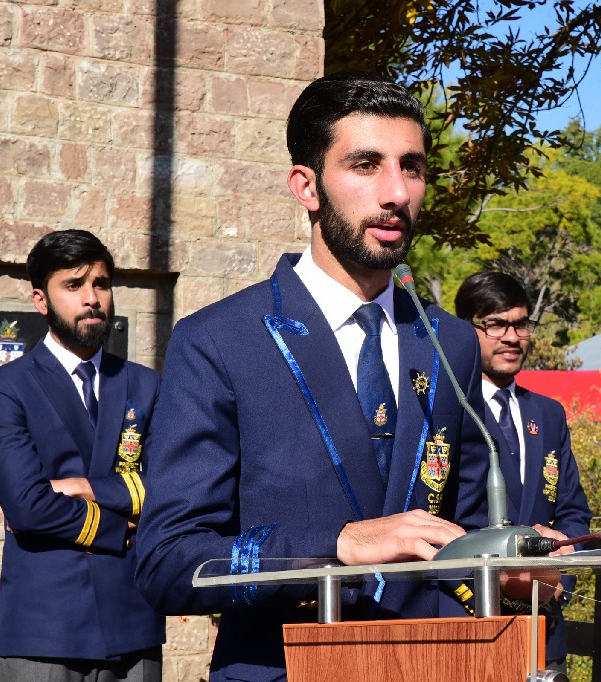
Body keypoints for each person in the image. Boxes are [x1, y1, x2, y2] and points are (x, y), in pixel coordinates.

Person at [135, 72, 490, 681]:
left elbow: (467, 529)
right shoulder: (221, 340)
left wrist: (510, 566)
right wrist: (336, 544)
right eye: (365, 165)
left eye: (411, 167)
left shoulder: (449, 342)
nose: (396, 192)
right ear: (307, 186)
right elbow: (168, 563)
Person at [0, 230, 164, 681]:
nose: (92, 299)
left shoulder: (145, 385)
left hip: (132, 624)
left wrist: (84, 487)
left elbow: (174, 486)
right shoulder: (7, 387)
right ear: (41, 300)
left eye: (101, 284)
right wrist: (120, 527)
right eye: (73, 285)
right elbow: (28, 507)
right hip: (44, 629)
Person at [454, 271, 592, 673]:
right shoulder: (450, 410)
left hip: (545, 626)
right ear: (465, 330)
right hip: (472, 623)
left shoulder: (548, 414)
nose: (512, 337)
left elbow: (572, 511)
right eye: (496, 324)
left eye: (521, 324)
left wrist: (561, 576)